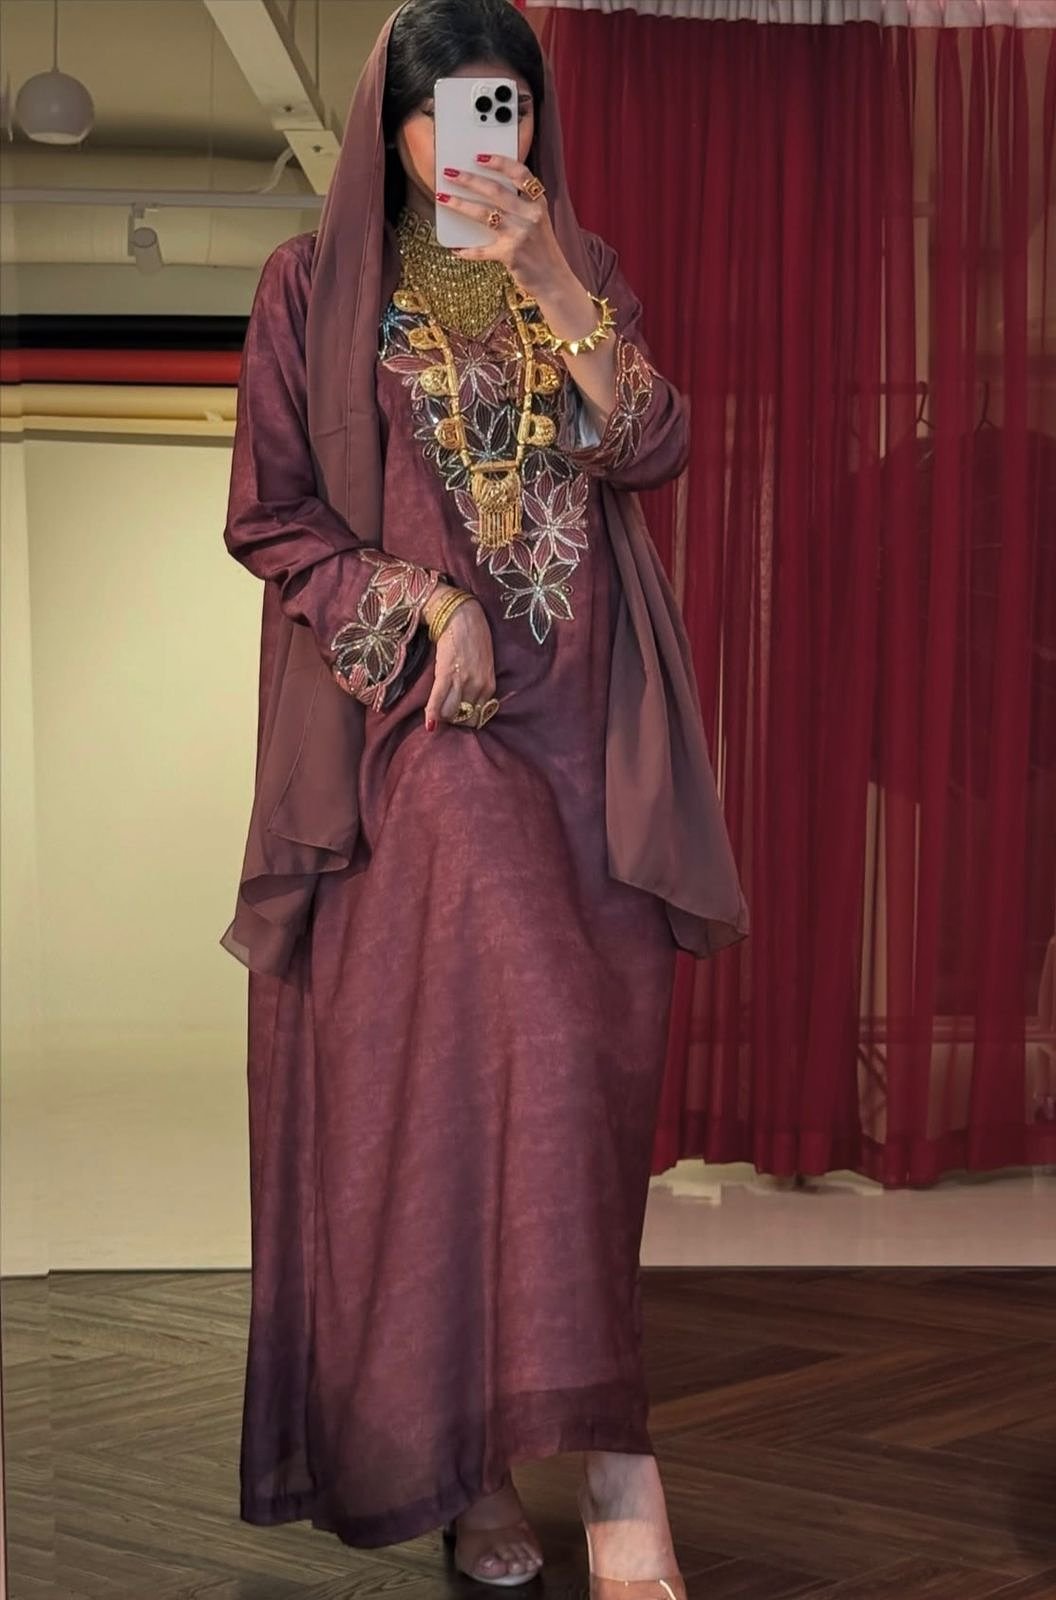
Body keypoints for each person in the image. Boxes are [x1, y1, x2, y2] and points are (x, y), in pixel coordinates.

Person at [219, 0, 748, 1594]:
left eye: (506, 108)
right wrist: (423, 603)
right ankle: (610, 1469)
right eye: (449, 112)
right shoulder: (311, 285)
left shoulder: (580, 271)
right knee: (522, 1042)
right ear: (391, 130)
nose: (480, 143)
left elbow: (650, 448)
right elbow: (272, 516)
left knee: (562, 1094)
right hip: (429, 722)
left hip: (596, 721)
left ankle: (494, 1467)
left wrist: (552, 283)